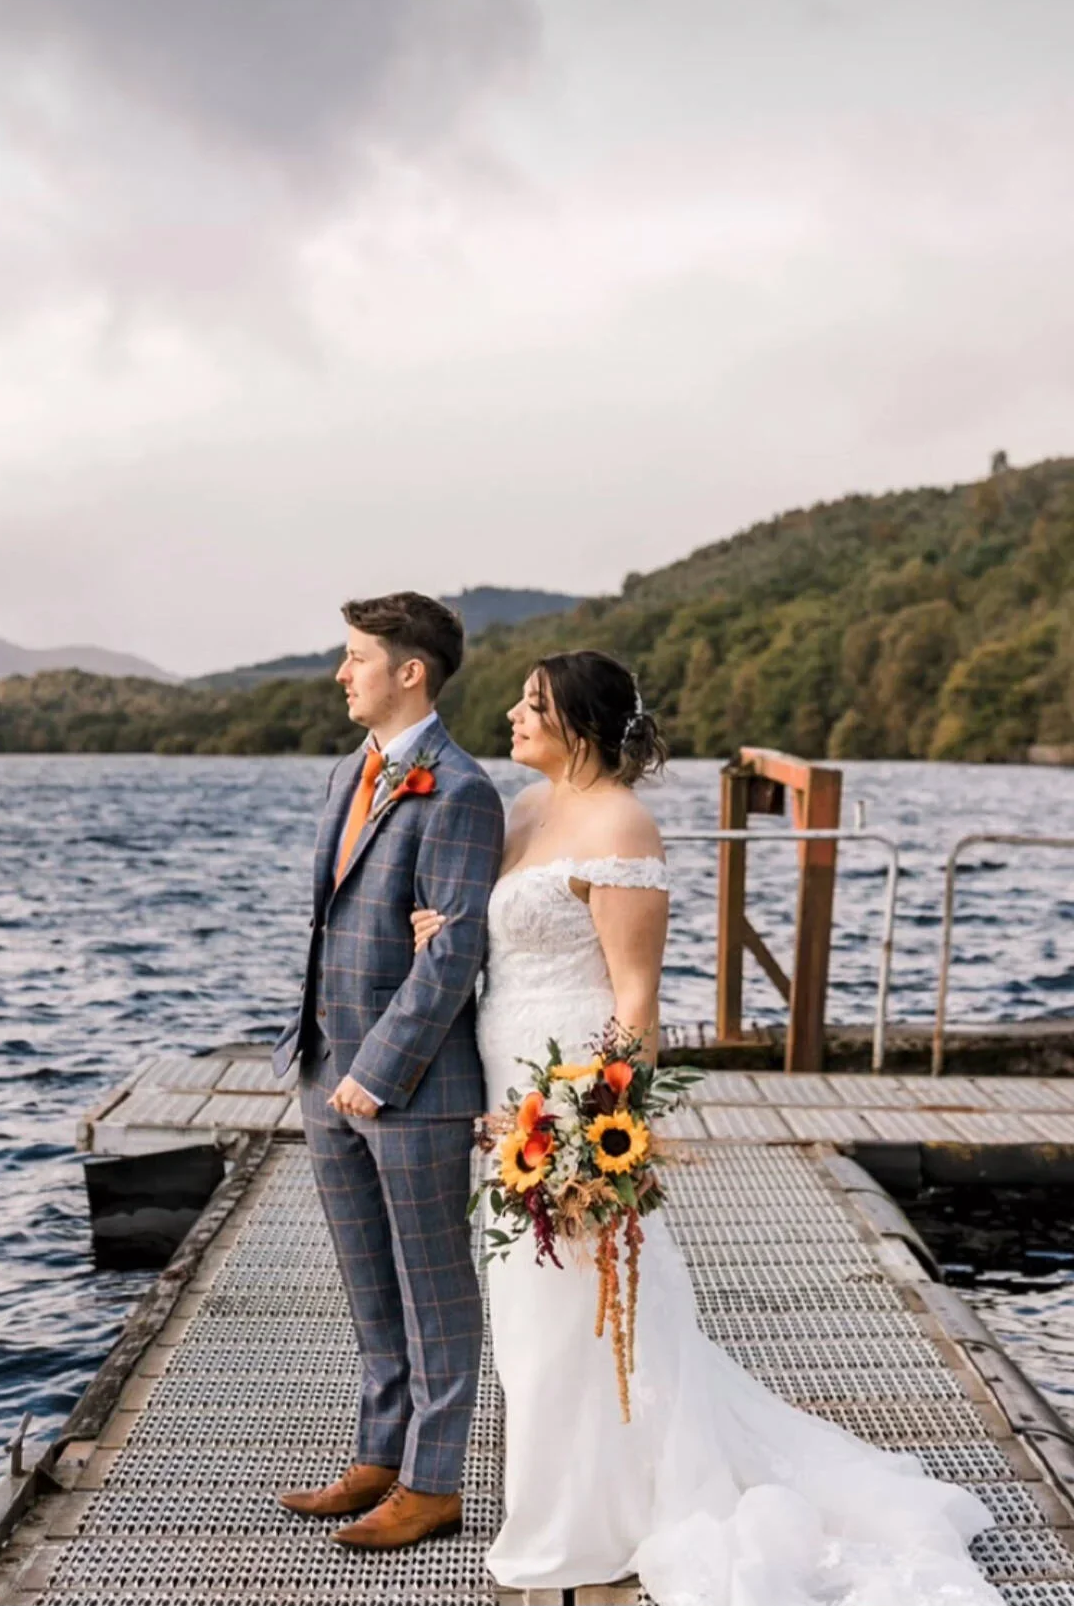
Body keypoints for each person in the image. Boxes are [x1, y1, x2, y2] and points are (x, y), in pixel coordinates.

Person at [410, 647, 1002, 1604]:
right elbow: (499, 940)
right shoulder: (521, 813)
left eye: (533, 704)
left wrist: (598, 1129)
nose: (512, 716)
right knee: (528, 1322)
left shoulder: (623, 825)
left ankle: (582, 1527)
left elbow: (636, 996)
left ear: (582, 725)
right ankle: (573, 1504)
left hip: (566, 1103)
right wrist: (445, 934)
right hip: (499, 1090)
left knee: (574, 1318)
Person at [272, 591, 504, 1551]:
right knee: (368, 1281)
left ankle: (434, 1480)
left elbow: (453, 953)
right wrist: (327, 1064)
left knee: (435, 1287)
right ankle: (379, 1453)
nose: (342, 671)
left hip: (409, 1084)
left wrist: (377, 1069)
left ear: (411, 670)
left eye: (357, 655)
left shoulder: (459, 790)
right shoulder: (347, 772)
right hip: (325, 1065)